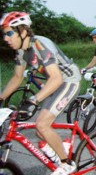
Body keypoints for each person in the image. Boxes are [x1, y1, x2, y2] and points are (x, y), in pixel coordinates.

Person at [0, 12, 81, 174]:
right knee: (40, 129)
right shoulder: (22, 51)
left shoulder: (40, 45)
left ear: (23, 31)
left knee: (42, 124)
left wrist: (33, 100)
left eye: (9, 33)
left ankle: (67, 163)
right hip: (54, 82)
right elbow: (17, 77)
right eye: (4, 34)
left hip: (68, 81)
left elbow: (57, 78)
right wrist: (0, 98)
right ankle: (60, 148)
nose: (5, 38)